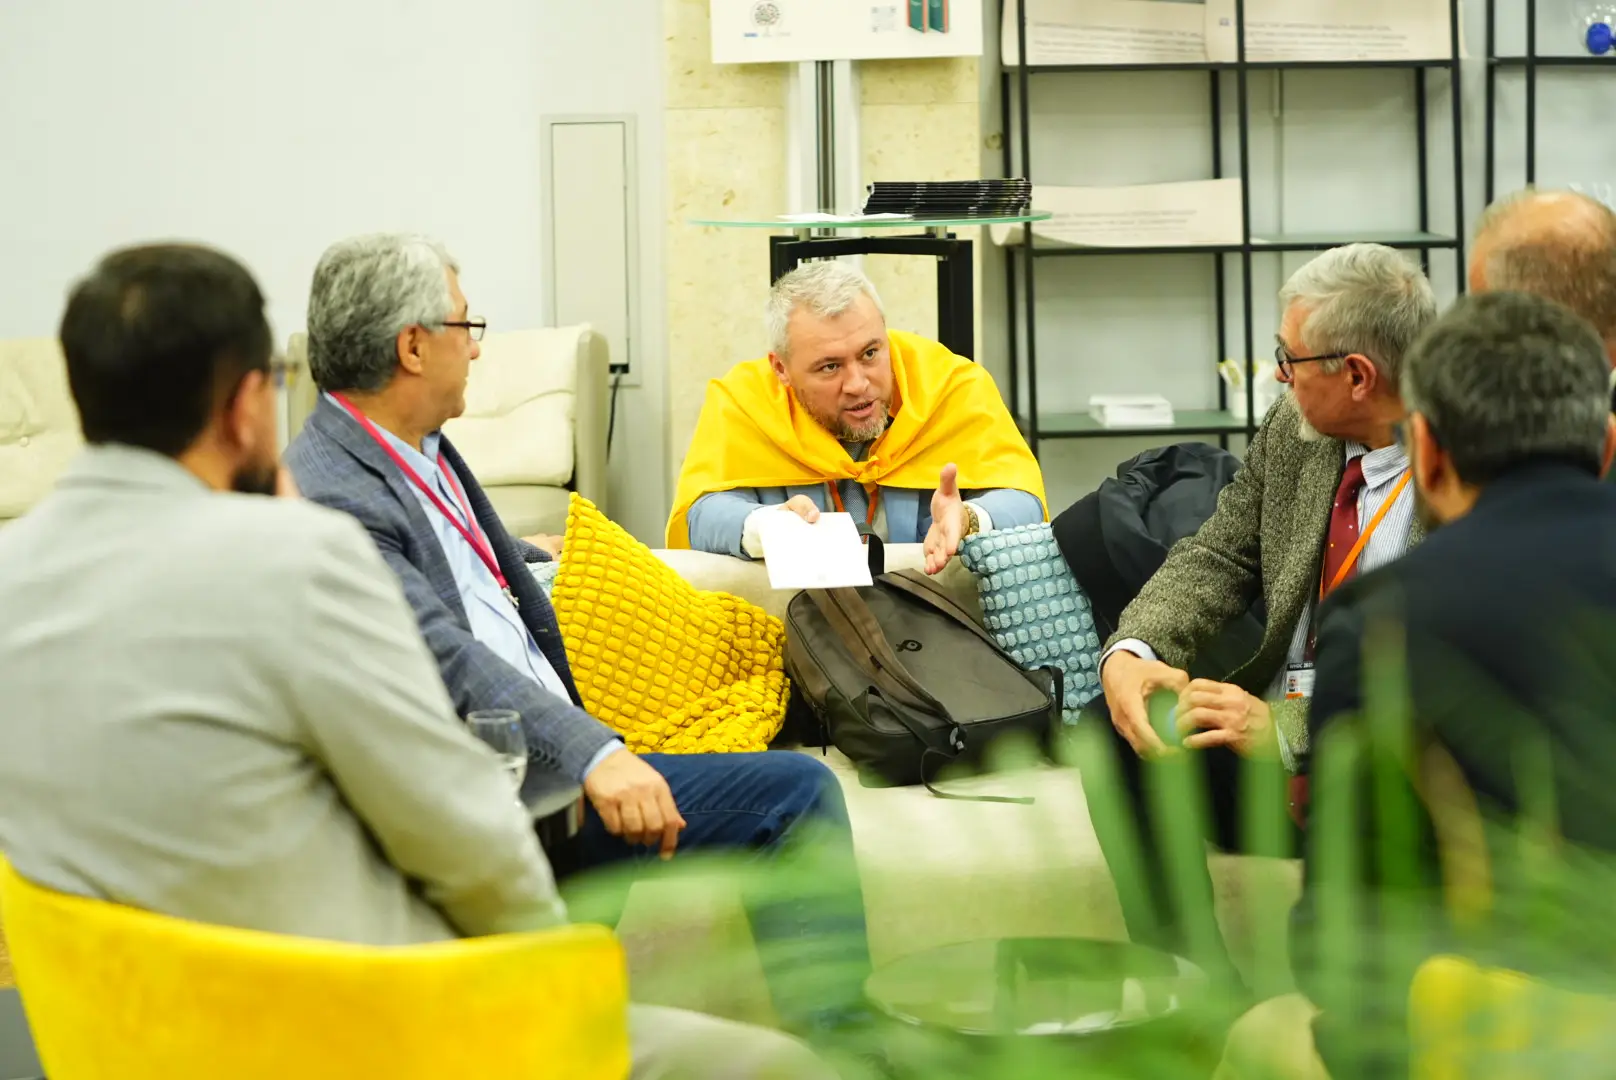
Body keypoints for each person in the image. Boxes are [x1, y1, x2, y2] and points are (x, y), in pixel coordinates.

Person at [0, 243, 834, 1079]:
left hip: (116, 1036)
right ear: (248, 403)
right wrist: (556, 973)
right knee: (779, 1067)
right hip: (365, 1027)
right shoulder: (299, 553)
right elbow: (457, 826)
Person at [283, 233, 873, 1047]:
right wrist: (595, 754)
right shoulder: (332, 492)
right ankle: (850, 1055)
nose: (478, 348)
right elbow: (440, 652)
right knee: (797, 795)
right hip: (510, 786)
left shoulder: (410, 442)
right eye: (466, 325)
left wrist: (527, 556)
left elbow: (456, 552)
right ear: (412, 347)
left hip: (550, 755)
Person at [1218, 292, 1616, 1079]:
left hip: (1478, 1040)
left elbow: (1341, 949)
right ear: (1606, 447)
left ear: (1427, 452)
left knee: (1256, 1041)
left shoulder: (1383, 620)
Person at [1089, 243, 1437, 986]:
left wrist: (1285, 731)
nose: (1279, 376)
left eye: (1290, 359)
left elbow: (1447, 683)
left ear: (1357, 376)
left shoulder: (1466, 470)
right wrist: (1134, 649)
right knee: (1114, 725)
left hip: (1376, 773)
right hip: (1264, 759)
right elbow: (1219, 554)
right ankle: (1195, 987)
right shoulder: (1296, 430)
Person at [668, 261, 1046, 575]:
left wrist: (969, 519)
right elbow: (702, 516)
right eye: (830, 366)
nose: (858, 384)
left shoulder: (950, 385)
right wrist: (768, 526)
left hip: (935, 622)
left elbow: (1024, 502)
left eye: (869, 354)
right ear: (781, 368)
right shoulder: (745, 401)